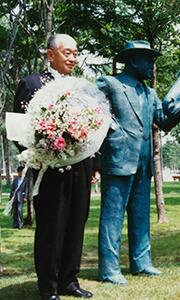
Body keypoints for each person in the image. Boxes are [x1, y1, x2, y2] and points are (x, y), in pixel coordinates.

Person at [96, 41, 180, 285]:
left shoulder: (150, 93)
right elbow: (93, 113)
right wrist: (113, 131)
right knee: (112, 216)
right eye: (149, 61)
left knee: (140, 215)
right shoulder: (109, 83)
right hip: (117, 159)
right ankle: (109, 269)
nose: (152, 66)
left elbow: (164, 122)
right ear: (134, 60)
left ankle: (142, 262)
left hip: (143, 164)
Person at [13, 34, 93, 300]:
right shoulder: (31, 83)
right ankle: (48, 287)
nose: (73, 58)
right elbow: (18, 130)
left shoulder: (82, 87)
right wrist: (37, 155)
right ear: (50, 55)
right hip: (49, 168)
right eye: (67, 52)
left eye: (75, 53)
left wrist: (96, 164)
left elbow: (95, 126)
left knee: (76, 224)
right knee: (52, 227)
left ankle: (69, 281)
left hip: (80, 165)